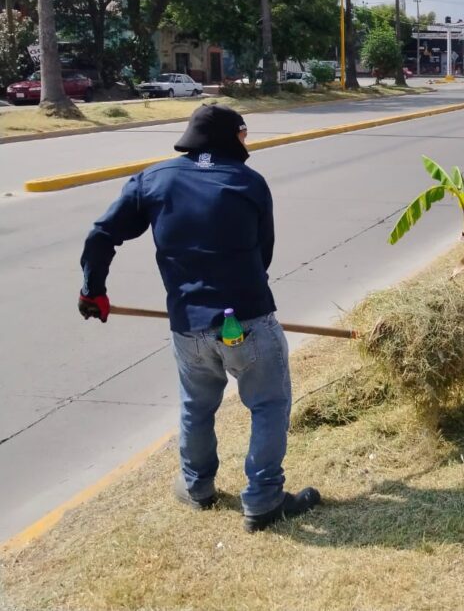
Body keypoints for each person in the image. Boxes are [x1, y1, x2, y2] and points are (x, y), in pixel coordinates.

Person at [79, 104, 320, 532]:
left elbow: (102, 234)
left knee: (197, 405)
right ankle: (263, 500)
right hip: (247, 320)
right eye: (244, 133)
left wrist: (91, 291)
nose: (247, 141)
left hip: (188, 326)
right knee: (268, 405)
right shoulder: (248, 182)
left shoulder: (152, 180)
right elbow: (264, 252)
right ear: (231, 137)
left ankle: (196, 486)